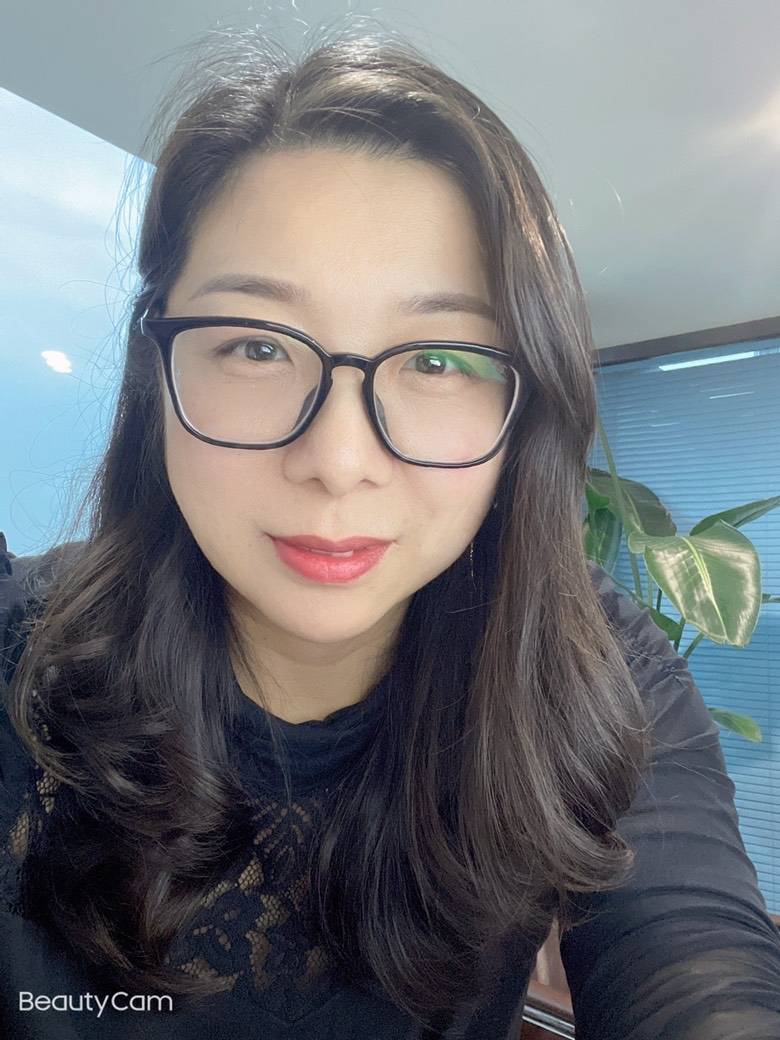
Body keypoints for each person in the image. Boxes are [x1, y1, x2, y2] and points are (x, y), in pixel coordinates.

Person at [1, 24, 779, 1040]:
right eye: (255, 345)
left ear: (524, 408)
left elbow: (697, 970)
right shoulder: (19, 650)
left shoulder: (592, 665)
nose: (337, 459)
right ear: (158, 373)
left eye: (439, 359)